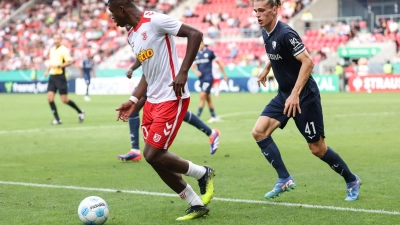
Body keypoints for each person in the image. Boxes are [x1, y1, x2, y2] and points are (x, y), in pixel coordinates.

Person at [109, 0, 215, 220]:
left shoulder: (155, 20)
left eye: (112, 13)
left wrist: (183, 71)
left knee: (152, 153)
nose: (112, 18)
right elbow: (147, 74)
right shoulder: (131, 36)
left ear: (121, 9)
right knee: (153, 158)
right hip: (152, 102)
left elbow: (195, 34)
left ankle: (202, 172)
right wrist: (133, 99)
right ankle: (195, 203)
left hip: (172, 97)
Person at [252, 0, 361, 201]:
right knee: (259, 132)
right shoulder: (265, 31)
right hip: (285, 94)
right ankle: (284, 178)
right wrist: (267, 67)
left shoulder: (286, 32)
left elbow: (308, 62)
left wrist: (295, 94)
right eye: (255, 11)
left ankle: (352, 179)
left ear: (275, 10)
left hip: (304, 97)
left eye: (261, 10)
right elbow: (277, 52)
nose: (257, 15)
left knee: (317, 149)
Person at [118, 50, 220, 161]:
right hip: (151, 78)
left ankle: (211, 133)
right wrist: (132, 68)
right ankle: (135, 150)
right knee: (135, 107)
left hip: (165, 78)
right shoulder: (137, 37)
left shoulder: (153, 35)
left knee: (171, 110)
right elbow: (142, 55)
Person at [44, 34, 85, 125]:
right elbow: (51, 63)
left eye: (58, 38)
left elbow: (69, 62)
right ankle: (57, 119)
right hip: (52, 76)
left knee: (64, 100)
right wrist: (47, 71)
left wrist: (59, 66)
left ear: (61, 40)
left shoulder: (64, 50)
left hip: (60, 77)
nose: (56, 40)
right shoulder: (52, 50)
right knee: (50, 98)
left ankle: (80, 112)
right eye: (55, 38)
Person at [191, 39, 227, 123]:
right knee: (208, 98)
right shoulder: (196, 55)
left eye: (200, 43)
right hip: (201, 79)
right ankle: (213, 116)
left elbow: (219, 63)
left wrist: (224, 74)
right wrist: (196, 71)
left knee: (202, 95)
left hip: (208, 78)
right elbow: (192, 66)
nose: (199, 45)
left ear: (203, 43)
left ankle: (197, 116)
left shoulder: (210, 52)